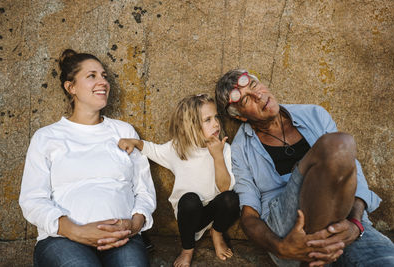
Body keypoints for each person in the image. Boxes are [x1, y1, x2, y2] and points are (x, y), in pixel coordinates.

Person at [215, 69, 394, 266]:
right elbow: (249, 217)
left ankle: (319, 253)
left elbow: (353, 173)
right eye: (246, 101)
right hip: (288, 229)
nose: (258, 96)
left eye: (253, 85)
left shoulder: (314, 114)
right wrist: (281, 247)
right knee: (337, 144)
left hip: (343, 220)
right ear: (241, 117)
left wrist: (355, 224)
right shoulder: (241, 149)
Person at [19, 49, 156, 267]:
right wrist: (76, 231)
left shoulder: (124, 131)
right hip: (63, 240)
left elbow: (144, 189)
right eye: (91, 76)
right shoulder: (47, 137)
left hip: (122, 236)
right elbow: (32, 199)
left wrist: (134, 224)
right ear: (70, 87)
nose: (102, 81)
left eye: (104, 76)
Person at [118, 94, 240, 267]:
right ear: (191, 125)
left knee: (231, 198)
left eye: (216, 117)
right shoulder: (178, 148)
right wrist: (136, 142)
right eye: (207, 120)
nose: (216, 123)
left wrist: (218, 157)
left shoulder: (223, 149)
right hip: (189, 214)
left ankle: (217, 232)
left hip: (213, 212)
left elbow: (224, 187)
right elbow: (154, 150)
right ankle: (187, 249)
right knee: (190, 200)